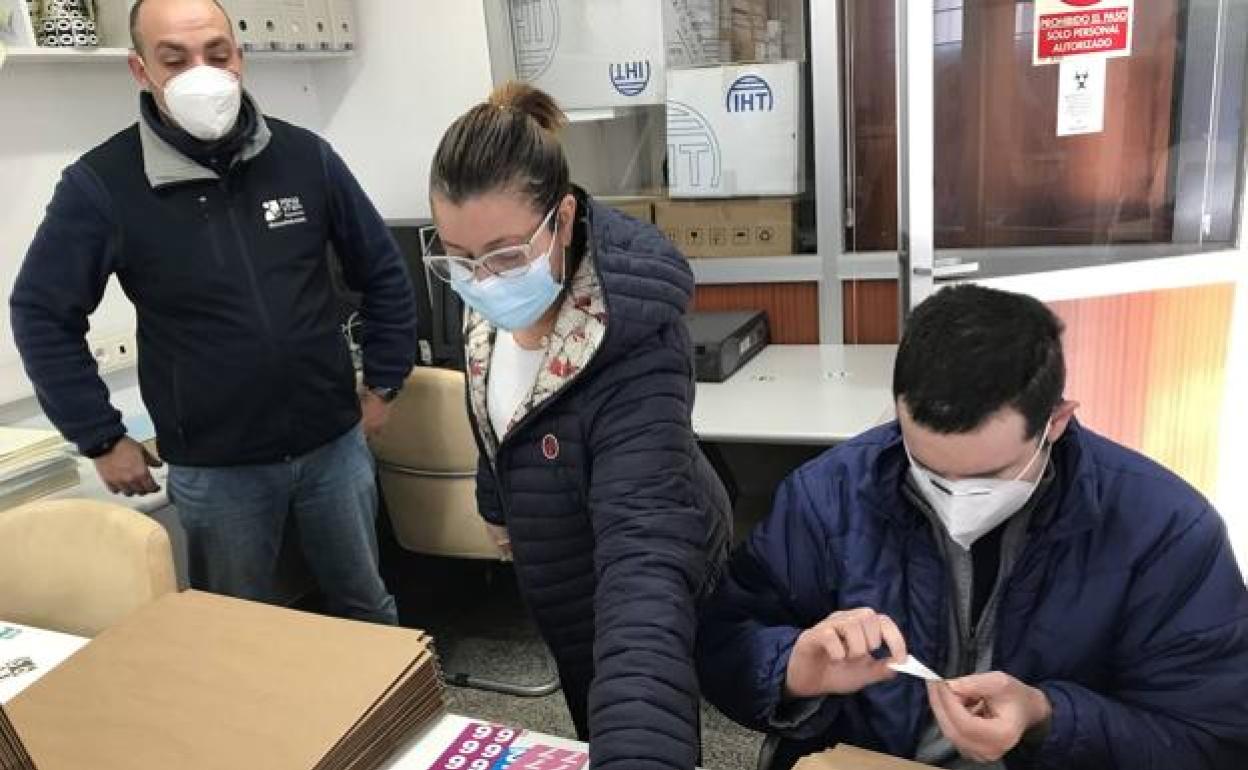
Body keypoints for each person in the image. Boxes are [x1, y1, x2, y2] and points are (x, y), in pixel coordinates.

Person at [697, 285, 1248, 769]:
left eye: (987, 475)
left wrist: (1045, 719)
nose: (955, 496)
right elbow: (722, 643)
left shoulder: (1166, 530)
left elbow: (1213, 740)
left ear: (1056, 421)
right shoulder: (828, 495)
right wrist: (795, 670)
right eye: (926, 467)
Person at [10, 0, 417, 624]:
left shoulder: (306, 157)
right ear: (140, 70)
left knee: (367, 606)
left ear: (240, 58)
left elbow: (383, 271)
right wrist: (99, 435)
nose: (201, 72)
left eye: (217, 54)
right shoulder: (104, 184)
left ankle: (393, 721)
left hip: (333, 445)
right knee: (234, 630)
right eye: (174, 60)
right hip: (217, 468)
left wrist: (385, 381)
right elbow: (41, 311)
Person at [425, 82, 732, 769]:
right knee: (588, 691)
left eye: (504, 256)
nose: (480, 278)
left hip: (645, 548)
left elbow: (642, 570)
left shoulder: (633, 340)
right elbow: (497, 410)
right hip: (554, 553)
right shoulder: (488, 287)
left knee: (635, 683)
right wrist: (496, 503)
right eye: (457, 258)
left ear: (563, 220)